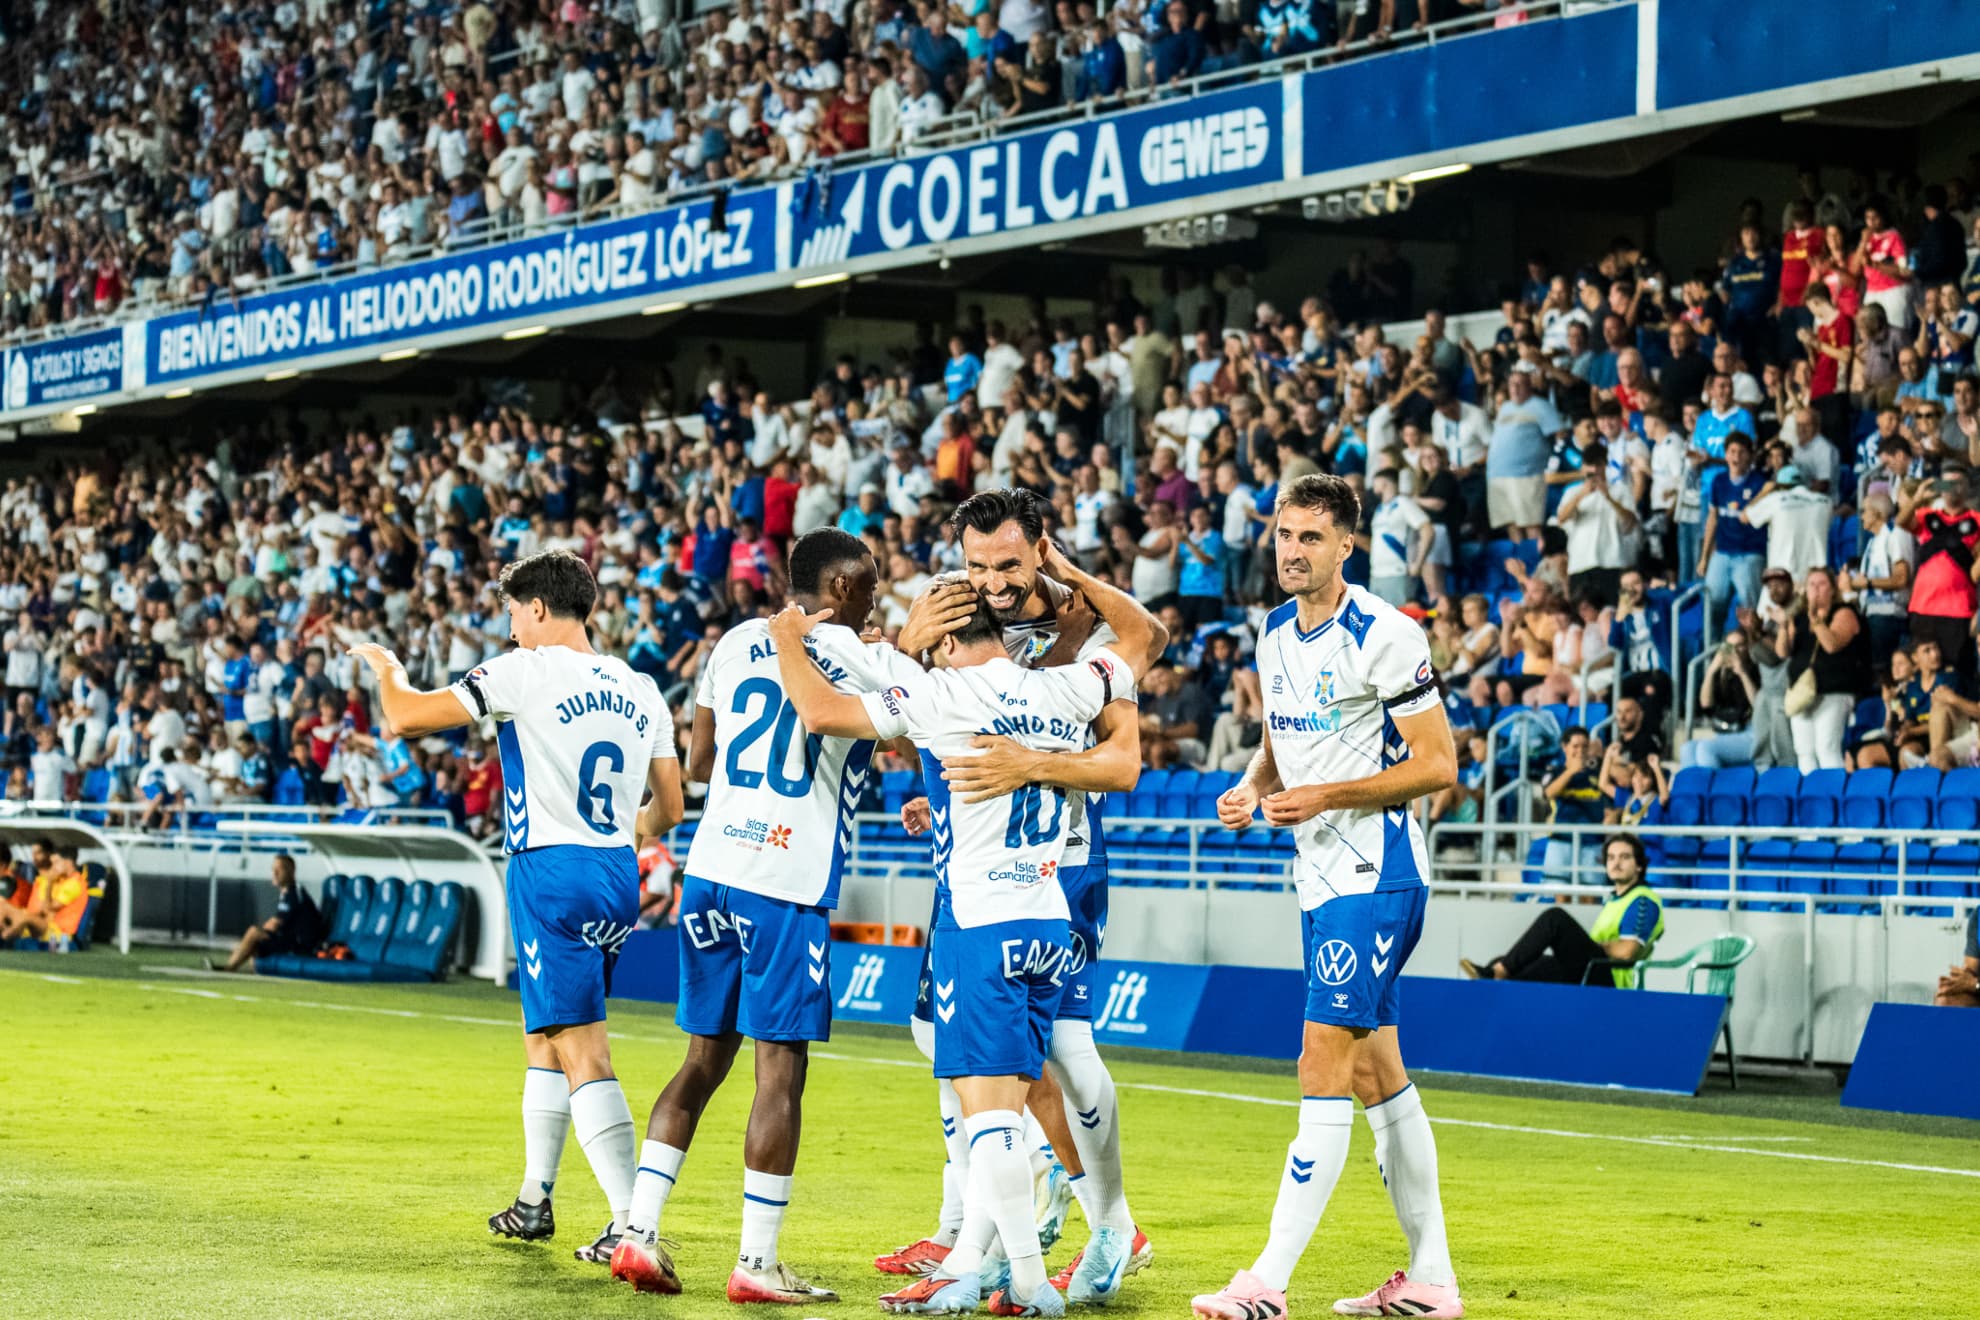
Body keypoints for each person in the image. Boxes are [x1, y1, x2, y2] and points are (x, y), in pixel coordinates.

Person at [769, 540, 1157, 1319]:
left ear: (949, 639)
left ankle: (1024, 1280)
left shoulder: (939, 697)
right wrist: (1072, 578)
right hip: (1051, 920)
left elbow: (818, 711)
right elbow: (1142, 638)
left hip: (980, 926)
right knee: (1008, 1111)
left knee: (989, 1121)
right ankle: (988, 1266)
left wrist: (786, 640)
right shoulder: (1068, 688)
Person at [347, 549, 684, 1266]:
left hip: (548, 869)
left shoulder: (522, 670)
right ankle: (535, 1199)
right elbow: (672, 807)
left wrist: (385, 669)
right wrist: (622, 835)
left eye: (511, 613)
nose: (509, 628)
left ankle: (633, 1228)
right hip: (615, 872)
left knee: (581, 1046)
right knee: (546, 1035)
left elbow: (406, 719)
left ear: (536, 608)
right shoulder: (641, 687)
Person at [609, 529, 909, 1304]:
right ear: (841, 587)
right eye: (870, 583)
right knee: (780, 1072)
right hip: (786, 881)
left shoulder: (737, 640)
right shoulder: (869, 661)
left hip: (710, 874)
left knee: (701, 1060)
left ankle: (638, 1234)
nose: (877, 596)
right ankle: (757, 1261)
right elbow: (908, 732)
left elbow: (702, 763)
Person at [880, 489, 1164, 1306]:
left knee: (1063, 1055)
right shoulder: (956, 608)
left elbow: (1121, 750)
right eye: (977, 565)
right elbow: (918, 711)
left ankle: (1107, 1223)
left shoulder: (1081, 623)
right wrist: (950, 791)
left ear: (1042, 548)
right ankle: (974, 1234)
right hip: (968, 859)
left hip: (1063, 865)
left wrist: (1028, 771)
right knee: (948, 1042)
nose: (993, 581)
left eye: (1008, 563)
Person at [1195, 474, 1462, 1320]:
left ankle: (1265, 1283)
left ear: (1348, 545)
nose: (1291, 551)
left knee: (1321, 1062)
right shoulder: (1273, 632)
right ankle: (1432, 1279)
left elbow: (1437, 766)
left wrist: (1326, 796)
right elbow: (1285, 736)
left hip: (1374, 876)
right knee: (1379, 1073)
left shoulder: (1386, 634)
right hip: (1319, 877)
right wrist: (1250, 786)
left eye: (1311, 537)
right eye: (1283, 534)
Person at [1460, 834, 1663, 986]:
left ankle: (1499, 972)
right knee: (1510, 965)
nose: (1616, 863)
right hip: (1595, 966)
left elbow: (1627, 952)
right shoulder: (1615, 898)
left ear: (1639, 866)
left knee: (1555, 919)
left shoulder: (1642, 901)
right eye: (1611, 857)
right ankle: (1498, 977)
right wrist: (1605, 945)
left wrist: (1599, 946)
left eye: (1624, 857)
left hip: (1613, 980)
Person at [1780, 567, 1868, 772]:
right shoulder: (1799, 617)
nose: (1816, 589)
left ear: (1832, 588)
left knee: (1826, 748)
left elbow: (1831, 644)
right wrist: (1784, 626)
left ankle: (1833, 796)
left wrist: (1817, 621)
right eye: (1811, 584)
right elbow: (1782, 652)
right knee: (1804, 750)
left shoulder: (1844, 612)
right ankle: (1812, 799)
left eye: (1822, 584)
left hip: (1833, 691)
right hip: (1802, 692)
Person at [204, 854, 321, 974]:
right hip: (290, 940)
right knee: (253, 941)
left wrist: (251, 938)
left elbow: (275, 924)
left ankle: (229, 968)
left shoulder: (295, 893)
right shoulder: (287, 893)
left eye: (279, 869)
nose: (274, 873)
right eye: (273, 869)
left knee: (253, 933)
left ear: (291, 871)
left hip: (301, 944)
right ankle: (249, 972)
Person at [0, 840, 89, 945]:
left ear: (67, 862)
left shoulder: (74, 883)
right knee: (3, 906)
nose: (53, 867)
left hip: (56, 930)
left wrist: (49, 883)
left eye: (55, 863)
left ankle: (5, 940)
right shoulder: (60, 881)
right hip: (43, 923)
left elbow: (47, 908)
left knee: (24, 917)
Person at [1934, 909, 1979, 1007]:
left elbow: (1973, 983)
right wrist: (1955, 982)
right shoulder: (1978, 916)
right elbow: (1970, 970)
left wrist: (1975, 984)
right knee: (1945, 999)